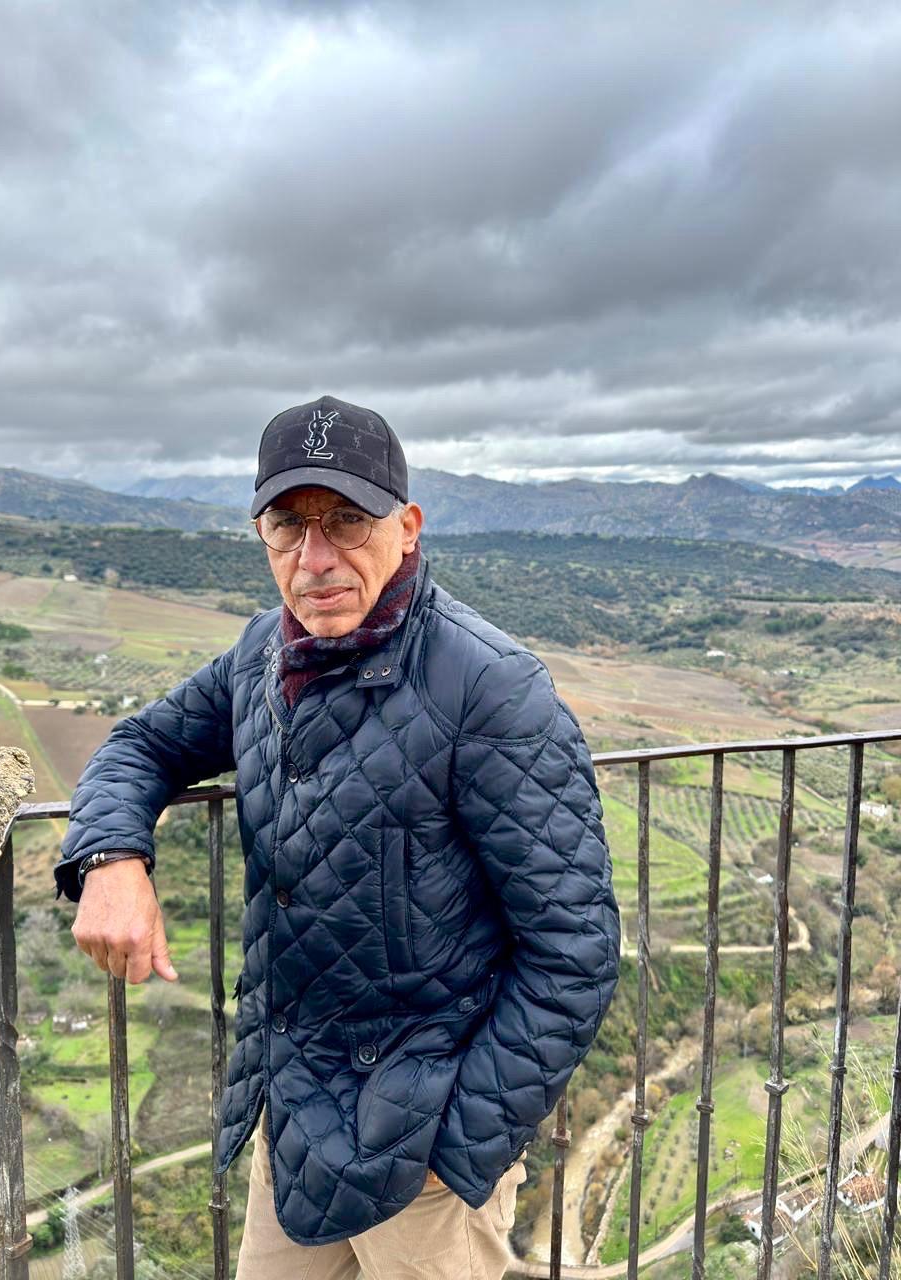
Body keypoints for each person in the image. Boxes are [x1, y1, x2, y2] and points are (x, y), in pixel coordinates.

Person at [54, 395, 621, 1280]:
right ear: (262, 536)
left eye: (347, 521)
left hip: (427, 1162)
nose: (314, 558)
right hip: (294, 1121)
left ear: (407, 527)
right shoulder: (260, 654)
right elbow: (143, 743)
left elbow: (574, 953)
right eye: (288, 526)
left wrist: (457, 1148)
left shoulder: (491, 690)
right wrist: (110, 857)